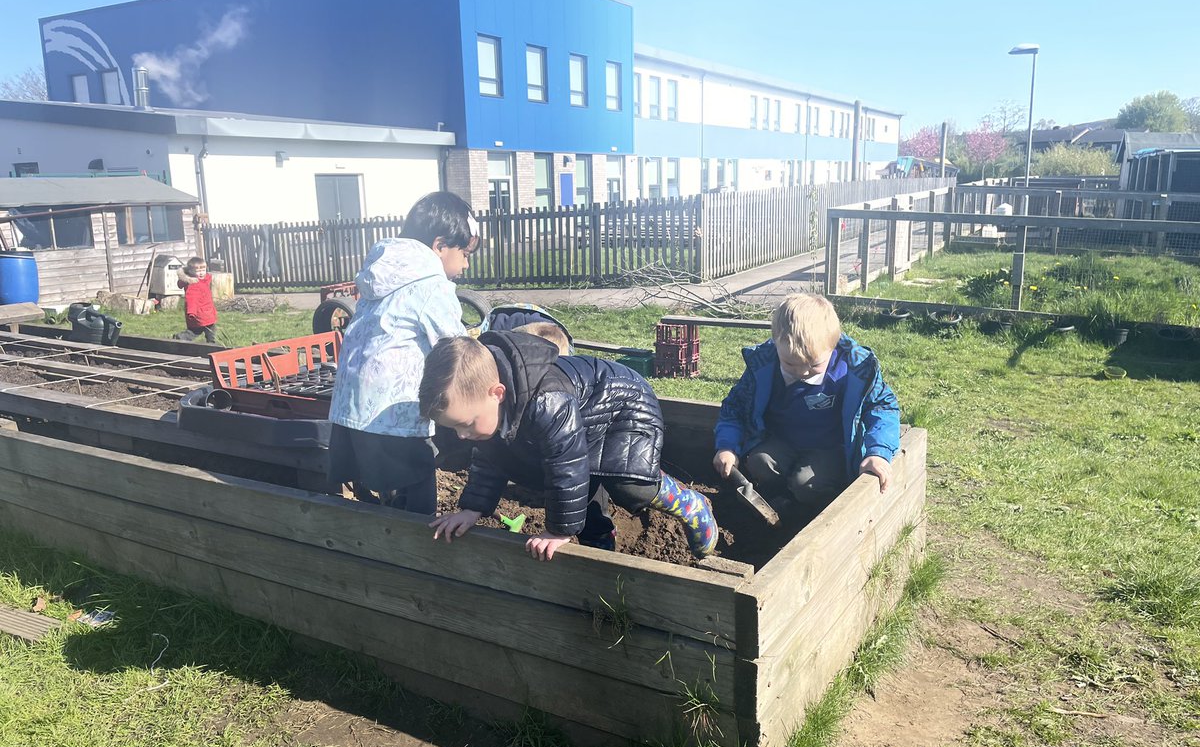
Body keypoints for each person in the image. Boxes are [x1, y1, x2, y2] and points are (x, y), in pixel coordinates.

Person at [418, 331, 719, 562]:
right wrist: (473, 509)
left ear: (496, 393)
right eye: (454, 427)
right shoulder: (491, 407)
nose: (462, 435)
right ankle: (600, 546)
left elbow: (568, 466)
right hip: (583, 421)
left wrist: (558, 530)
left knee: (630, 487)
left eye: (467, 423)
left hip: (625, 405)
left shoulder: (546, 401)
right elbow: (492, 458)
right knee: (544, 471)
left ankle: (691, 504)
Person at [326, 191, 479, 514]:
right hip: (392, 413)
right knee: (417, 492)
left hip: (350, 407)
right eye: (464, 253)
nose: (465, 265)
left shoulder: (381, 274)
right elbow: (455, 346)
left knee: (377, 493)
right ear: (439, 246)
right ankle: (413, 556)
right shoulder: (431, 285)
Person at [712, 293, 899, 515]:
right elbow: (735, 408)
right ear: (776, 344)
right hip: (782, 441)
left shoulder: (855, 370)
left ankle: (812, 511)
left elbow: (882, 407)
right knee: (759, 462)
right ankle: (780, 499)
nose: (801, 372)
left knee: (806, 484)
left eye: (813, 365)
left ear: (833, 346)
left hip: (829, 448)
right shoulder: (763, 366)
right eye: (790, 363)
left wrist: (878, 452)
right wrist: (727, 446)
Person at [175, 257, 218, 343]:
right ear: (191, 272)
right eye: (198, 271)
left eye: (203, 270)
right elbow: (191, 299)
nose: (201, 273)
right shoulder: (193, 285)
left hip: (207, 312)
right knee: (196, 331)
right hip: (198, 314)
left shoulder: (204, 280)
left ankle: (211, 343)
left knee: (210, 329)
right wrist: (191, 312)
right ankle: (180, 337)